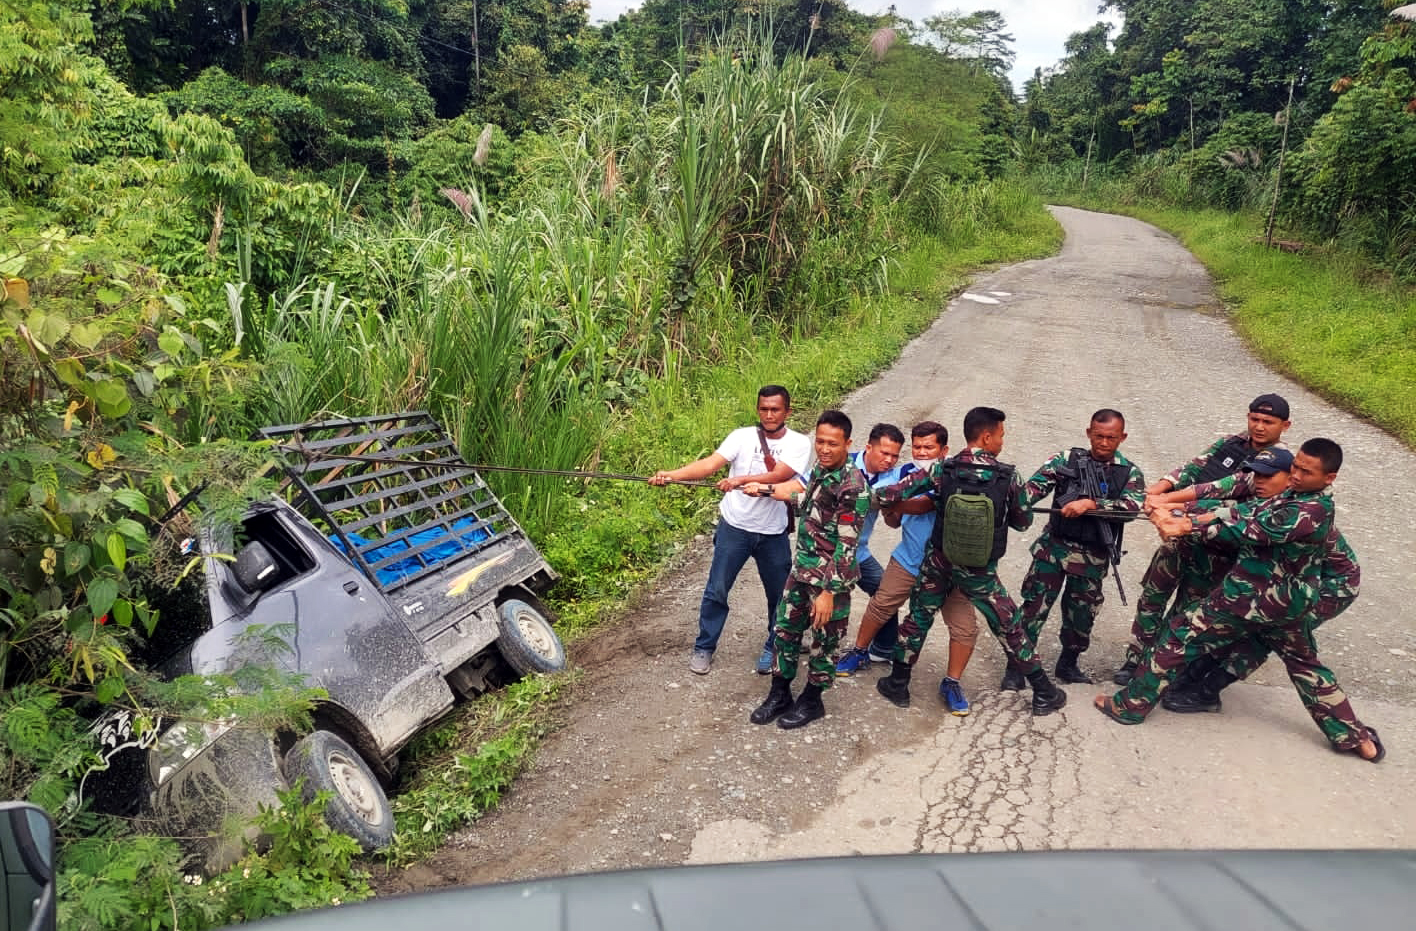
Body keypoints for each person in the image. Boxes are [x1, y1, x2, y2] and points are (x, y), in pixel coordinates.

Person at [1096, 439, 1382, 763]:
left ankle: (1129, 706)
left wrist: (1185, 525)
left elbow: (1247, 529)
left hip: (1249, 599)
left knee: (1179, 635)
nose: (1297, 475)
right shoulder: (1294, 494)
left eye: (1307, 471)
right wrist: (1182, 513)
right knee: (1306, 666)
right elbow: (1241, 509)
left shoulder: (1312, 511)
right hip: (1287, 606)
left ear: (1329, 478)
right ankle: (1353, 737)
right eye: (1296, 467)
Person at [871, 407, 1068, 717]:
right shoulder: (1007, 475)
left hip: (939, 560)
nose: (1002, 441)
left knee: (918, 618)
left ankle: (898, 683)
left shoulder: (943, 470)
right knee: (1008, 625)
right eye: (1000, 435)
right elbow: (1021, 522)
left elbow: (894, 493)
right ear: (986, 436)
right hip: (978, 569)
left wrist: (870, 501)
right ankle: (1043, 691)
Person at [1113, 393, 1292, 685]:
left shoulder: (1279, 464)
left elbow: (1223, 492)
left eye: (1268, 422)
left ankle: (1158, 667)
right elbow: (1193, 468)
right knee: (1152, 597)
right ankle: (1135, 659)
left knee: (1185, 610)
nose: (1259, 427)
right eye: (1254, 419)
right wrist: (1155, 492)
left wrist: (1172, 503)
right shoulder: (1232, 442)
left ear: (1285, 425)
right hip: (1179, 540)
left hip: (1215, 551)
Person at [651, 386, 811, 676]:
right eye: (764, 409)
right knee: (717, 589)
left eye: (775, 409)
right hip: (734, 527)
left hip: (773, 532)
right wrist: (671, 475)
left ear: (788, 411)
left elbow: (781, 475)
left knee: (779, 594)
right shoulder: (741, 436)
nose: (769, 414)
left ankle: (774, 644)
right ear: (758, 409)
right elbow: (710, 465)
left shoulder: (799, 443)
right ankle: (705, 646)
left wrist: (739, 481)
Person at [834, 422, 980, 717]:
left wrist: (896, 504)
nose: (922, 452)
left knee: (965, 628)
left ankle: (951, 683)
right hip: (908, 559)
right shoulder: (903, 475)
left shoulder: (955, 475)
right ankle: (860, 652)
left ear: (944, 450)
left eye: (929, 447)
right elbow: (894, 522)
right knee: (881, 605)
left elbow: (925, 504)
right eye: (917, 447)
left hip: (952, 568)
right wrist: (891, 510)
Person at [743, 411, 870, 730]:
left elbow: (847, 546)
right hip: (802, 570)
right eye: (821, 441)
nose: (824, 449)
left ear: (848, 444)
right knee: (785, 631)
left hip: (829, 580)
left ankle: (813, 701)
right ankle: (780, 693)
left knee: (824, 642)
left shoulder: (853, 486)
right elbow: (806, 502)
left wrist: (827, 593)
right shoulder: (821, 469)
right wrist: (765, 489)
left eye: (832, 443)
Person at [1013, 410, 1145, 688]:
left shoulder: (1129, 472)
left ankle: (1068, 663)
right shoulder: (1066, 460)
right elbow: (1033, 489)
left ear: (1123, 437)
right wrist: (1014, 503)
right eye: (1099, 436)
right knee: (1033, 608)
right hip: (1053, 549)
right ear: (1089, 433)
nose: (1104, 443)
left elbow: (1133, 508)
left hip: (1092, 556)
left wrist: (1092, 505)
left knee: (1081, 615)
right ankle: (1017, 667)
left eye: (1111, 437)